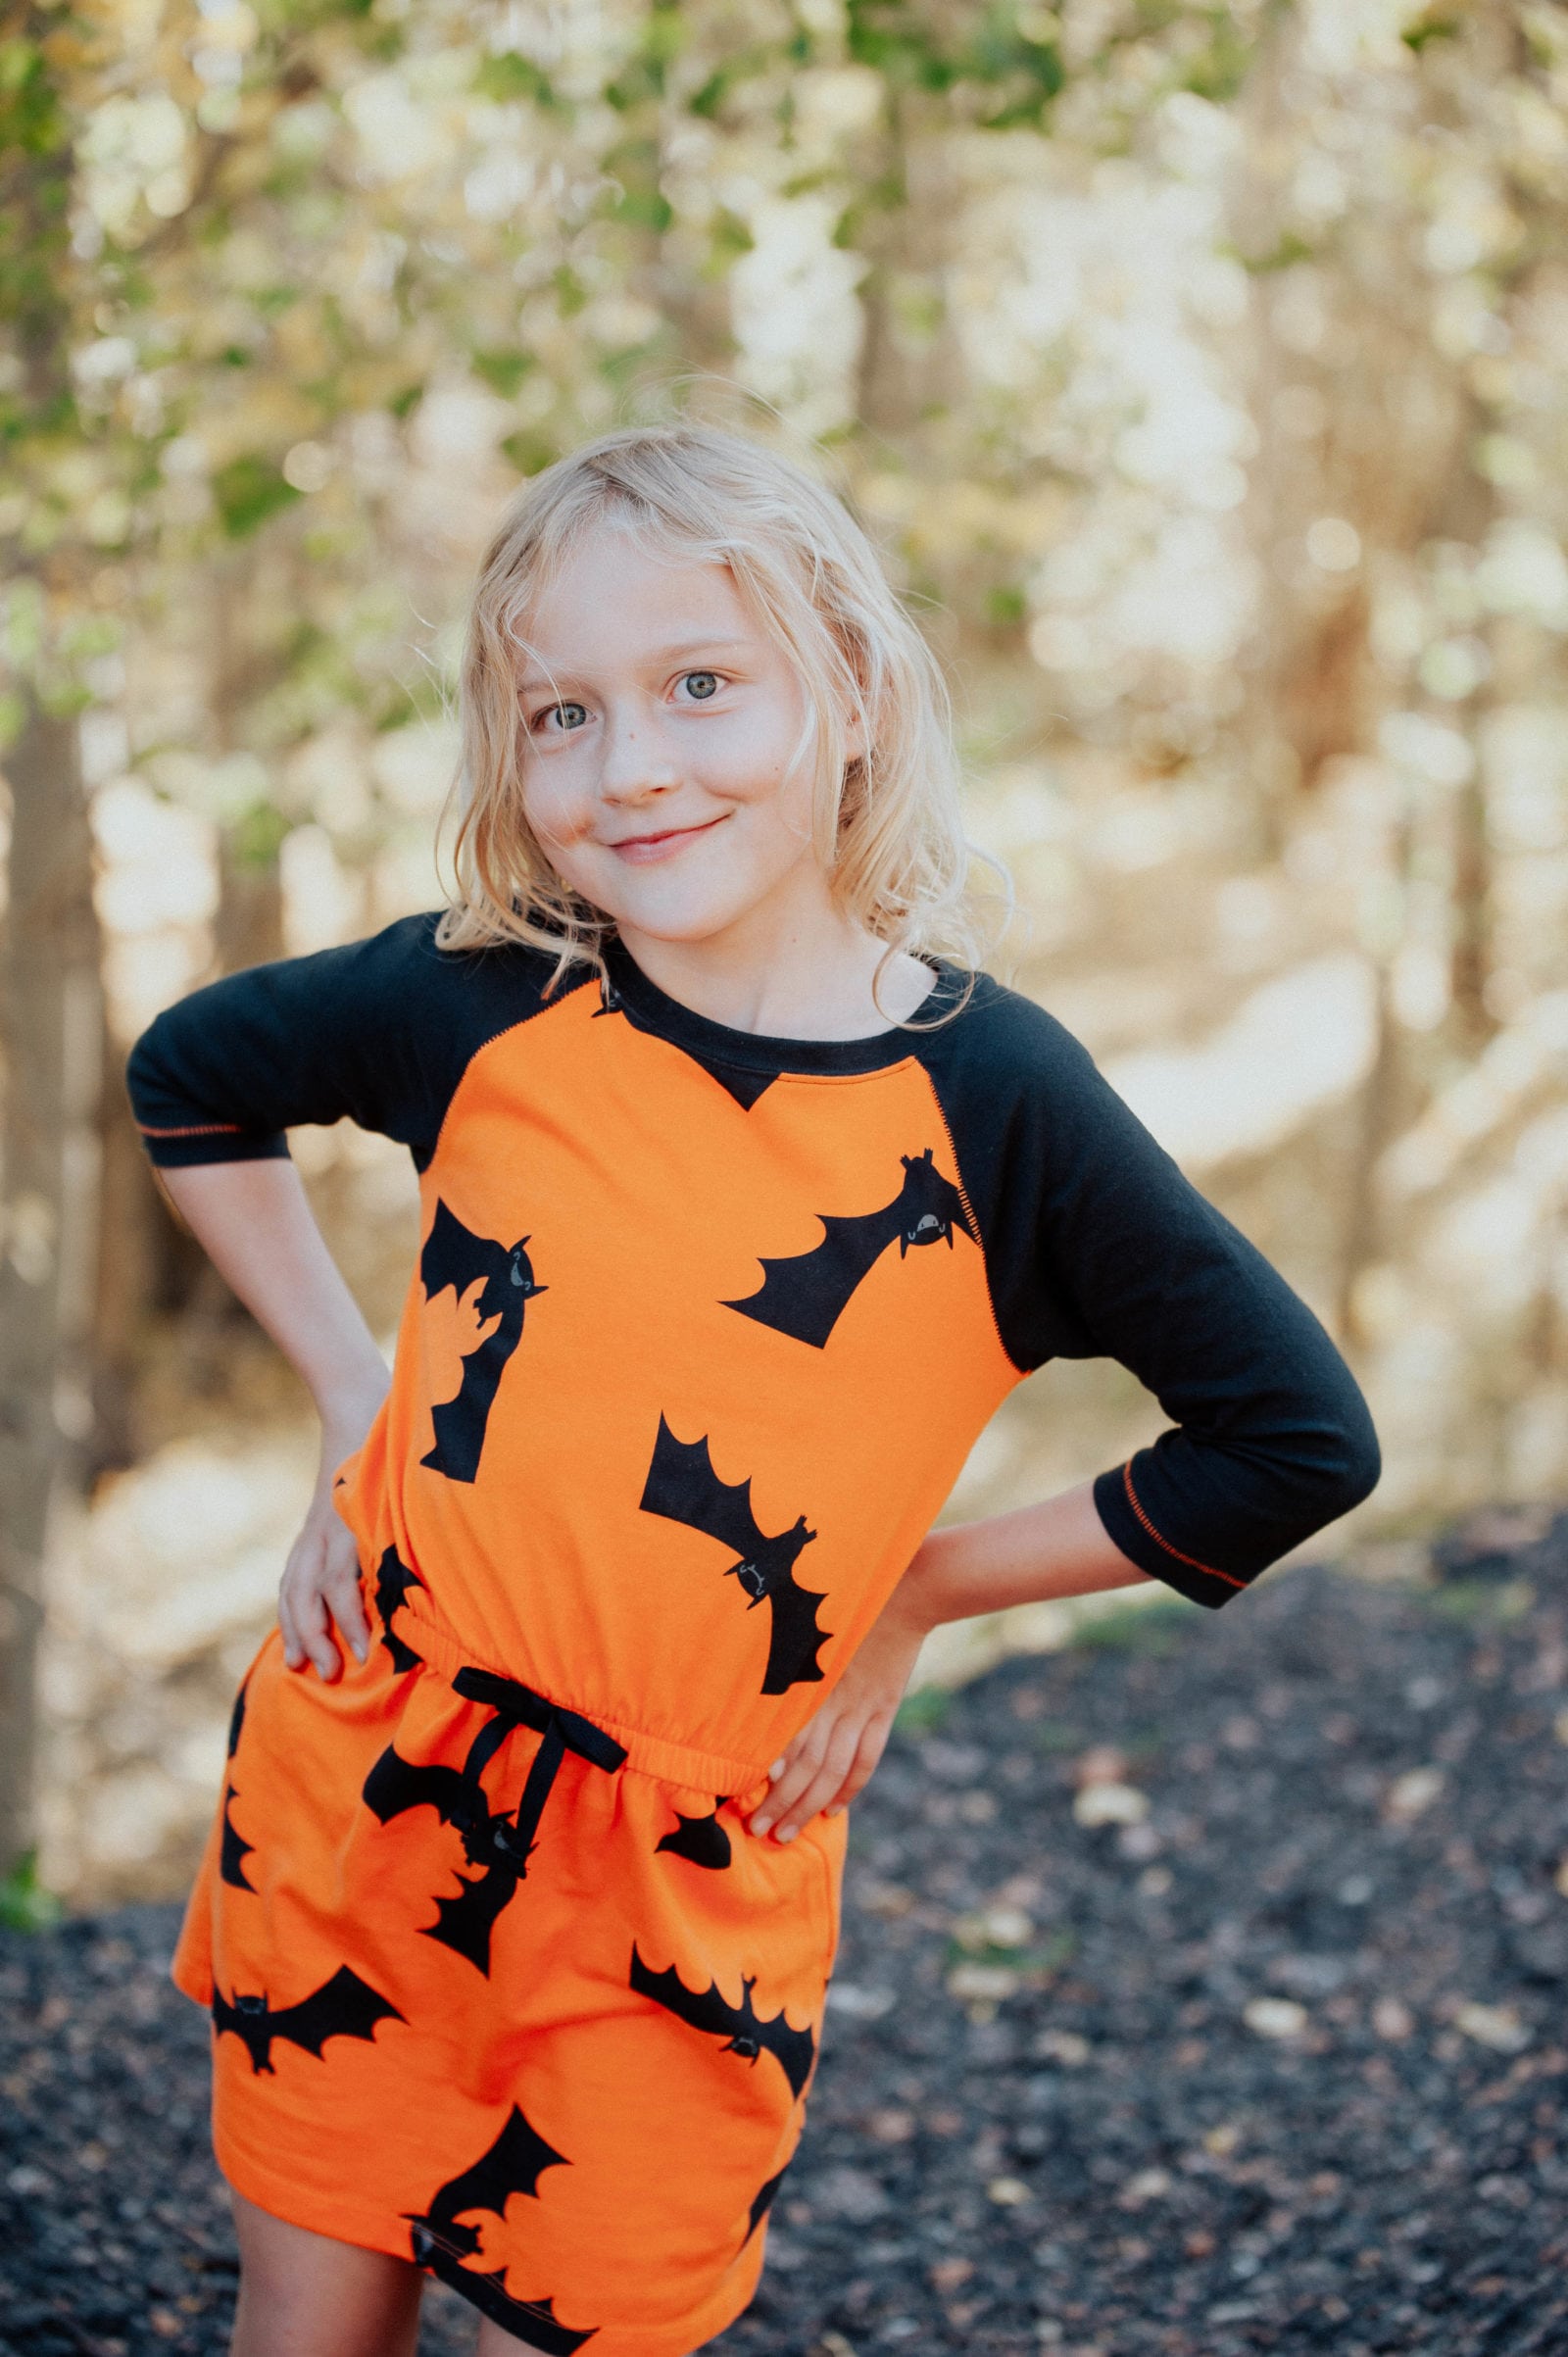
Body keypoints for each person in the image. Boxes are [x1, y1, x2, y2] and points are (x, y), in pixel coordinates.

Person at [125, 421, 1380, 2357]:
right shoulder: (490, 998)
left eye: (701, 684)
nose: (632, 767)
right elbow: (192, 1077)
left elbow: (1288, 1439)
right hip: (369, 1759)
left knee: (622, 2311)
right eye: (562, 715)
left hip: (678, 1877)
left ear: (851, 692)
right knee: (309, 2315)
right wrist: (352, 1403)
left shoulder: (993, 1102)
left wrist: (916, 1592)